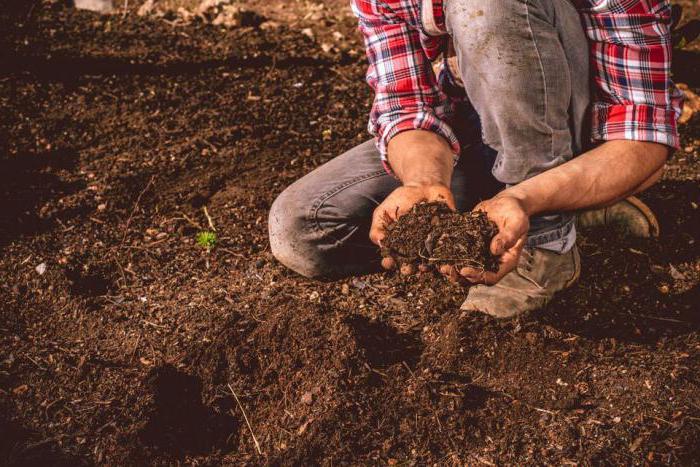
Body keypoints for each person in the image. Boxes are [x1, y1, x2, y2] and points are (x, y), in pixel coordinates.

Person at [268, 0, 683, 318]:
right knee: (306, 229)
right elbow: (407, 105)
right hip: (480, 121)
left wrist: (528, 200)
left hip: (584, 130)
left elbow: (642, 137)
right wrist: (423, 183)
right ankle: (565, 206)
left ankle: (547, 243)